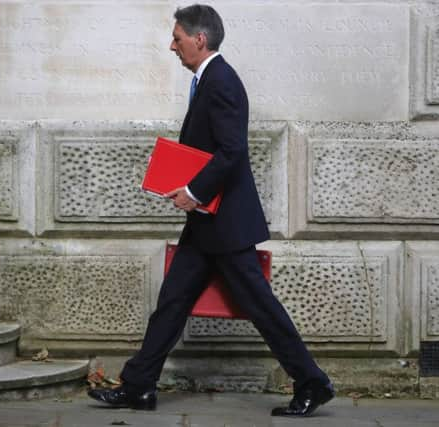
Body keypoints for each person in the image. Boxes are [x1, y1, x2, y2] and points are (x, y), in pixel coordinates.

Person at [88, 4, 334, 417]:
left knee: (260, 306)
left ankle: (312, 382)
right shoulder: (209, 79)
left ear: (199, 40)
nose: (172, 46)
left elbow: (232, 151)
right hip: (209, 224)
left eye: (178, 38)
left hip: (225, 224)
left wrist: (194, 191)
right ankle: (139, 386)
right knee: (172, 302)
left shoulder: (220, 81)